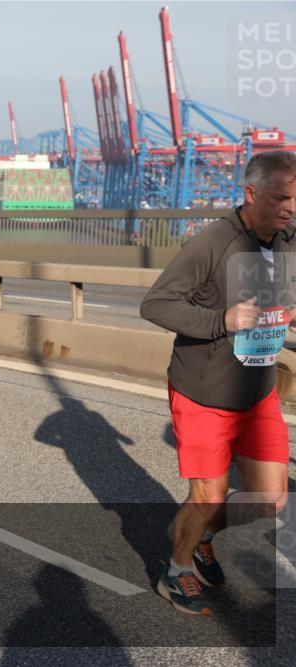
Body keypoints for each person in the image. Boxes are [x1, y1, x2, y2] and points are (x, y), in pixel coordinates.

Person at [140, 150, 296, 616]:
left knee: (268, 498)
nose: (291, 208)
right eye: (281, 198)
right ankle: (176, 569)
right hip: (205, 390)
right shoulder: (212, 242)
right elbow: (156, 304)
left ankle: (203, 535)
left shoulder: (288, 240)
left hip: (257, 389)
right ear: (250, 193)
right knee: (206, 495)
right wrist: (221, 319)